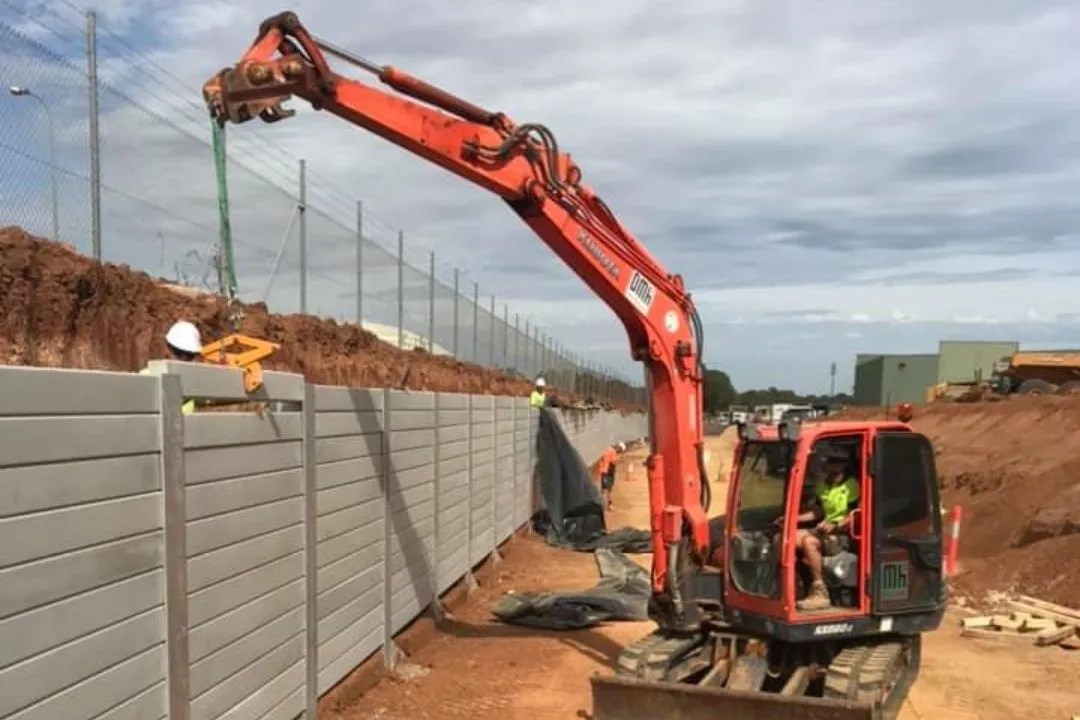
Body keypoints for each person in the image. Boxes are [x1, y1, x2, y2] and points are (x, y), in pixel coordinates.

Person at [794, 445, 860, 611]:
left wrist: (836, 524)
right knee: (789, 537)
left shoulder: (851, 485)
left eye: (836, 462)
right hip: (824, 528)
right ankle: (795, 585)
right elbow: (818, 511)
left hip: (844, 533)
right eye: (830, 462)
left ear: (843, 465)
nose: (832, 466)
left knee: (809, 542)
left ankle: (820, 592)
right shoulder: (822, 485)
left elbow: (858, 513)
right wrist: (792, 520)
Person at [140, 320, 203, 415]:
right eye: (178, 352)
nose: (183, 359)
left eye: (189, 355)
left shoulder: (193, 383)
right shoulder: (146, 377)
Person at [597, 443, 621, 510]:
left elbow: (600, 461)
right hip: (609, 472)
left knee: (603, 489)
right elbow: (613, 462)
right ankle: (609, 505)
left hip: (603, 471)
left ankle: (601, 504)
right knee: (608, 490)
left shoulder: (603, 450)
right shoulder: (612, 451)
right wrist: (618, 458)